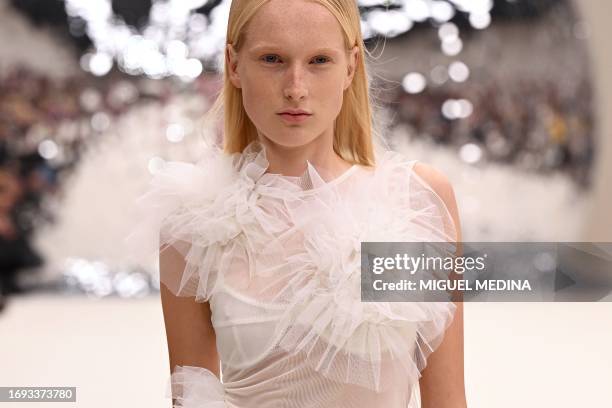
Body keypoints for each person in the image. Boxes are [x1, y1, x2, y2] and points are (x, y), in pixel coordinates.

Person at [127, 0, 466, 406]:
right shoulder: (193, 221)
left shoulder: (417, 198)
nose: (295, 88)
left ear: (351, 66)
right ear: (233, 65)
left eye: (320, 60)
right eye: (272, 59)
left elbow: (447, 400)